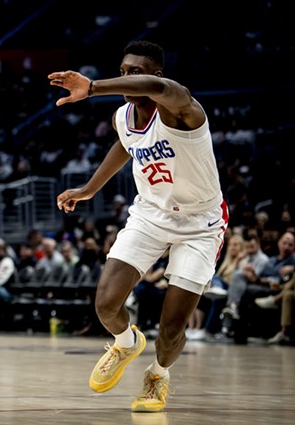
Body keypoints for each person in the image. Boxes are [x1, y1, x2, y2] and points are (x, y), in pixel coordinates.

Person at [50, 40, 228, 413]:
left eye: (135, 72)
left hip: (200, 223)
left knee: (172, 328)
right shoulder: (123, 116)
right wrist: (87, 189)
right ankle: (127, 342)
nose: (127, 77)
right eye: (124, 69)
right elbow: (125, 144)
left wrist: (95, 86)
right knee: (106, 304)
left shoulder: (182, 108)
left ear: (155, 74)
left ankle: (159, 372)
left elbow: (161, 91)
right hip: (151, 214)